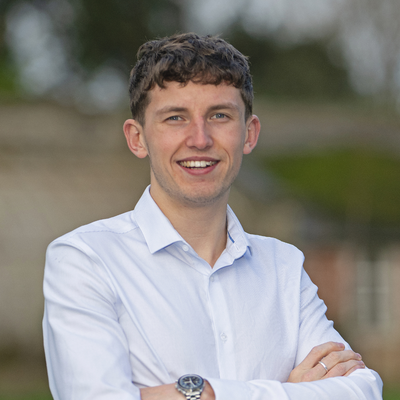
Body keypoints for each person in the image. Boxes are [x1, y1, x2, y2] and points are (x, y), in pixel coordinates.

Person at [42, 33, 383, 400]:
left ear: (249, 134)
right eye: (175, 118)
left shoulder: (283, 267)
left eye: (219, 116)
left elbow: (362, 389)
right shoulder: (84, 260)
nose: (200, 139)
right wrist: (286, 393)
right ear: (137, 138)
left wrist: (200, 394)